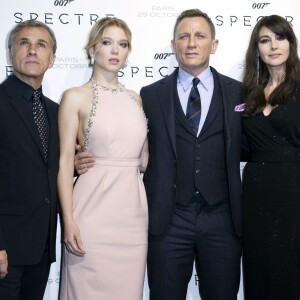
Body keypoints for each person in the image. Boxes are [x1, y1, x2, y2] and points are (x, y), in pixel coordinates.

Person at [140, 8, 243, 300]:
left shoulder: (239, 93)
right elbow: (132, 142)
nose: (191, 43)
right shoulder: (150, 94)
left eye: (200, 36)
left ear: (214, 44)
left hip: (222, 217)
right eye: (183, 36)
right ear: (174, 46)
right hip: (168, 216)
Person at [58, 17, 148, 300]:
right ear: (92, 49)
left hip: (133, 216)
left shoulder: (136, 99)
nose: (115, 51)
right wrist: (69, 220)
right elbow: (63, 164)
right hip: (91, 214)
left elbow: (144, 160)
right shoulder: (74, 97)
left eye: (122, 45)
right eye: (107, 43)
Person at [241, 15, 300, 299]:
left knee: (291, 271)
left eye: (280, 37)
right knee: (259, 268)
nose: (273, 45)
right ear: (258, 49)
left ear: (291, 43)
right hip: (256, 195)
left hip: (295, 192)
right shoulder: (247, 95)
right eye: (265, 40)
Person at [0, 20, 59, 299]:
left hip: (42, 248)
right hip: (5, 251)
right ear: (11, 54)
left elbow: (45, 168)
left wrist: (76, 166)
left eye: (41, 45)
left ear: (52, 59)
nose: (33, 50)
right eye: (24, 43)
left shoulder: (56, 111)